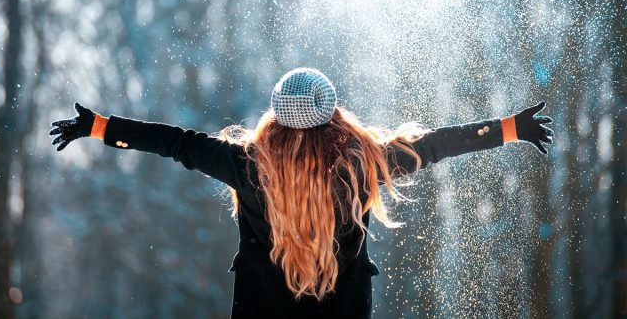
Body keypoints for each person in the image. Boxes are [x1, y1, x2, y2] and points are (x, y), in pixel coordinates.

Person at [49, 67, 554, 318]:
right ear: (334, 113)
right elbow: (439, 144)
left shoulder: (247, 165)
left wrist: (99, 126)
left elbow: (174, 142)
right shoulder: (364, 164)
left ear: (274, 113)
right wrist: (509, 128)